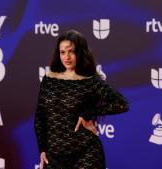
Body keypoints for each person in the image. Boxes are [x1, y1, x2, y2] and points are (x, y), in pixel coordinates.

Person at [34, 30, 129, 169]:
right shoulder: (49, 79)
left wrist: (88, 113)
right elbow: (39, 117)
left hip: (87, 153)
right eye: (62, 52)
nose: (66, 57)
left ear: (80, 52)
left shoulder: (91, 80)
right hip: (54, 155)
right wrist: (42, 149)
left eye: (71, 51)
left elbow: (122, 104)